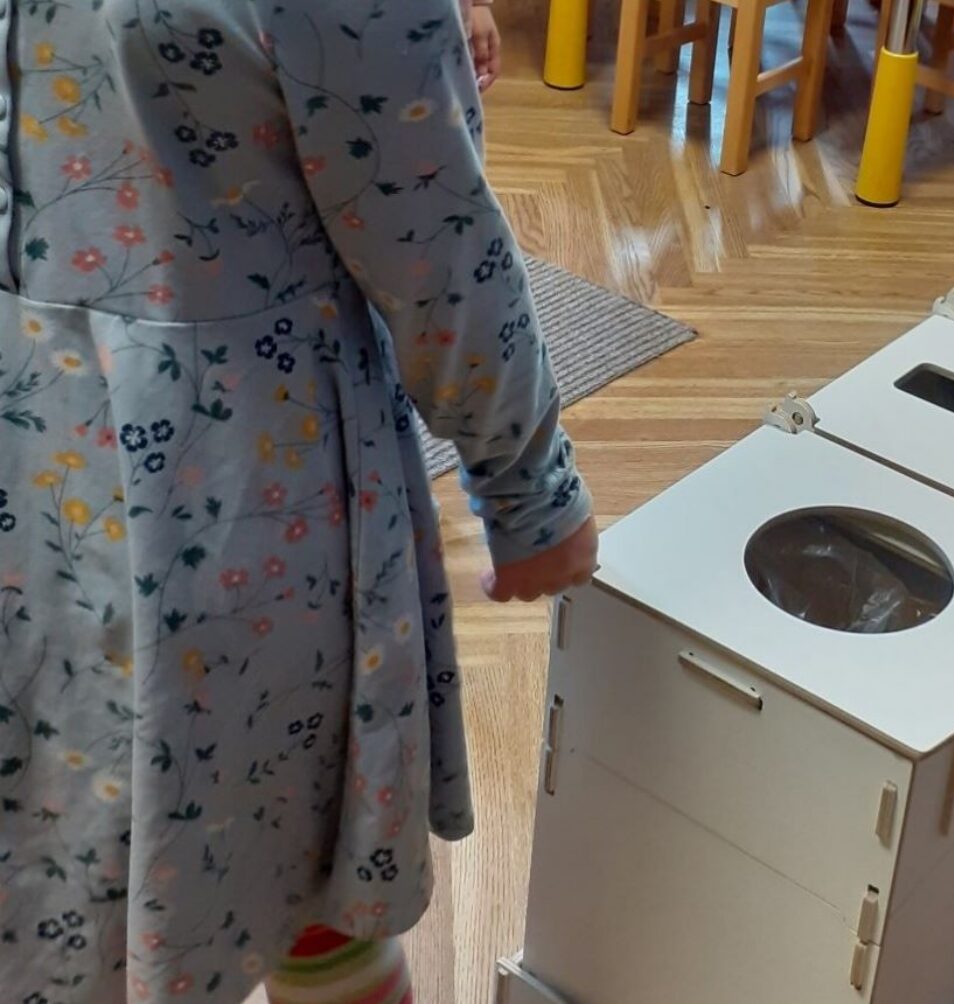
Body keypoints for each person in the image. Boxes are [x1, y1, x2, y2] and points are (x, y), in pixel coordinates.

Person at [0, 2, 597, 1004]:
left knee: (72, 839)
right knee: (297, 856)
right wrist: (531, 485)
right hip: (238, 481)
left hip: (43, 441)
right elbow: (431, 238)